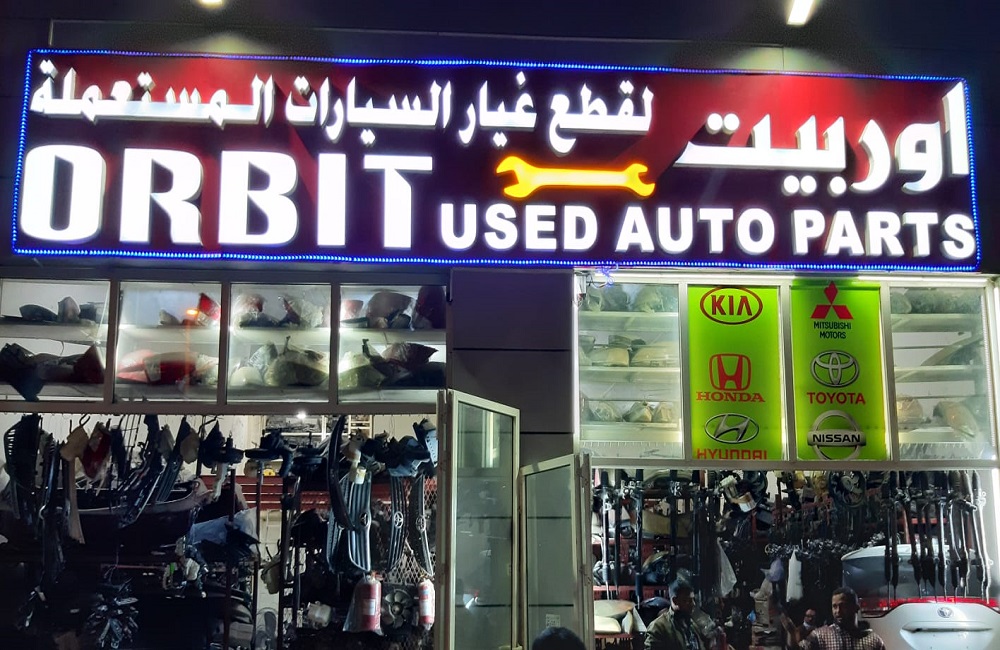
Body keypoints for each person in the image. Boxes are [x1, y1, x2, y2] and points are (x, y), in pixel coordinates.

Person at [796, 587, 886, 650]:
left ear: (856, 607)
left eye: (843, 606)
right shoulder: (820, 636)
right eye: (834, 606)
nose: (838, 611)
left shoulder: (873, 641)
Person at [644, 580, 708, 650]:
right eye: (688, 601)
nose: (693, 604)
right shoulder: (658, 628)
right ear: (675, 601)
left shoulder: (692, 625)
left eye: (693, 600)